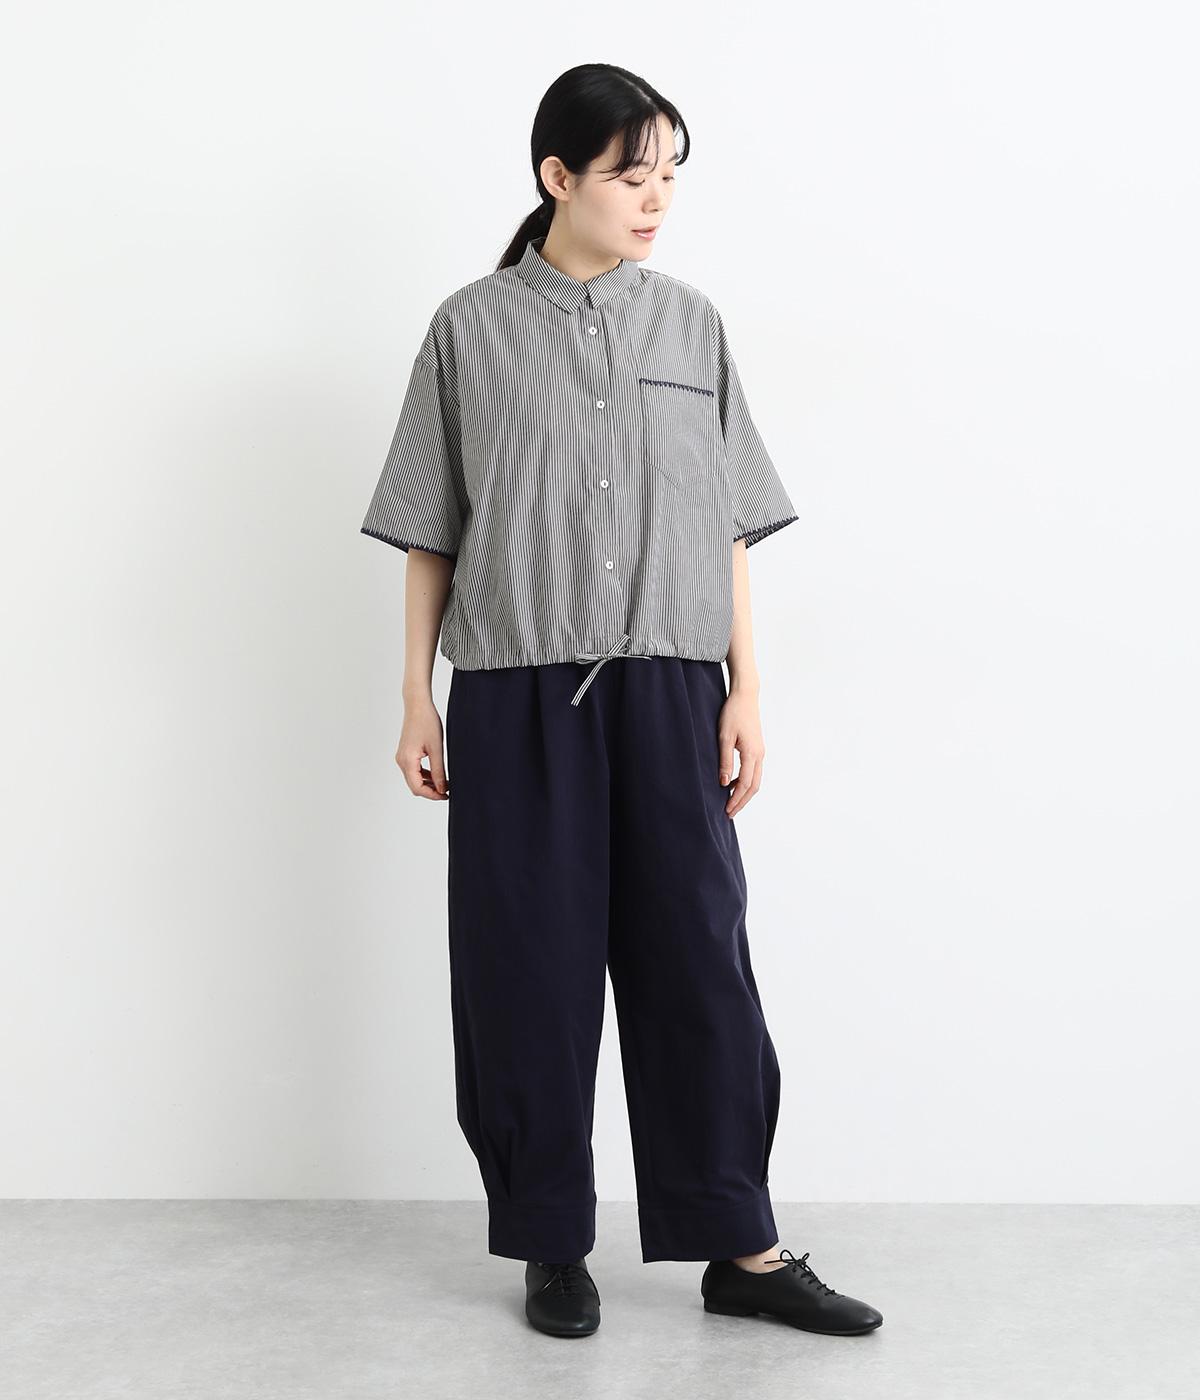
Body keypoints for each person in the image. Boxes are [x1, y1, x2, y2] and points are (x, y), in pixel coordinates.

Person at [360, 62, 883, 1341]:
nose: (656, 199)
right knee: (525, 970)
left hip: (670, 689)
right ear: (558, 176)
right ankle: (551, 1240)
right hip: (515, 693)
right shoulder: (467, 331)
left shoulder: (691, 326)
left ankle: (741, 1247)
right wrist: (416, 699)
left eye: (669, 177)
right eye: (630, 175)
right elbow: (431, 531)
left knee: (699, 962)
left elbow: (728, 525)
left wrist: (746, 688)